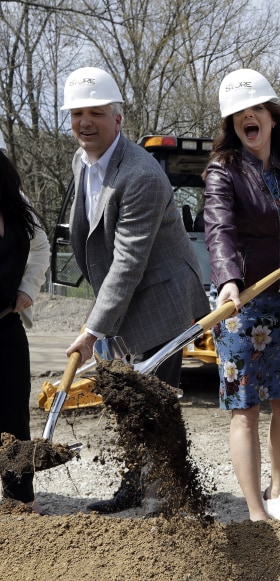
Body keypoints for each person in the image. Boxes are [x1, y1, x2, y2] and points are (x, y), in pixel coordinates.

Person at [61, 67, 209, 513]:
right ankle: (134, 484)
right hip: (122, 295)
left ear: (117, 119)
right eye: (77, 114)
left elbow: (128, 261)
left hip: (161, 297)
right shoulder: (82, 160)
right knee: (126, 400)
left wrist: (91, 330)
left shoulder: (140, 175)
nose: (85, 122)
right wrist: (100, 323)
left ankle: (174, 494)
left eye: (96, 113)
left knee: (155, 401)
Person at [203, 68, 280, 523]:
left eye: (256, 110)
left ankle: (279, 494)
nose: (248, 118)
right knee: (245, 408)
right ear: (231, 124)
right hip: (241, 304)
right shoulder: (222, 170)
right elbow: (218, 228)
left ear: (271, 116)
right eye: (237, 114)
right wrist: (228, 279)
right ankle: (254, 511)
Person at [0, 132, 51, 515]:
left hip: (6, 326)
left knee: (14, 413)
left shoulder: (18, 207)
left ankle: (19, 497)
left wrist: (27, 287)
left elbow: (40, 247)